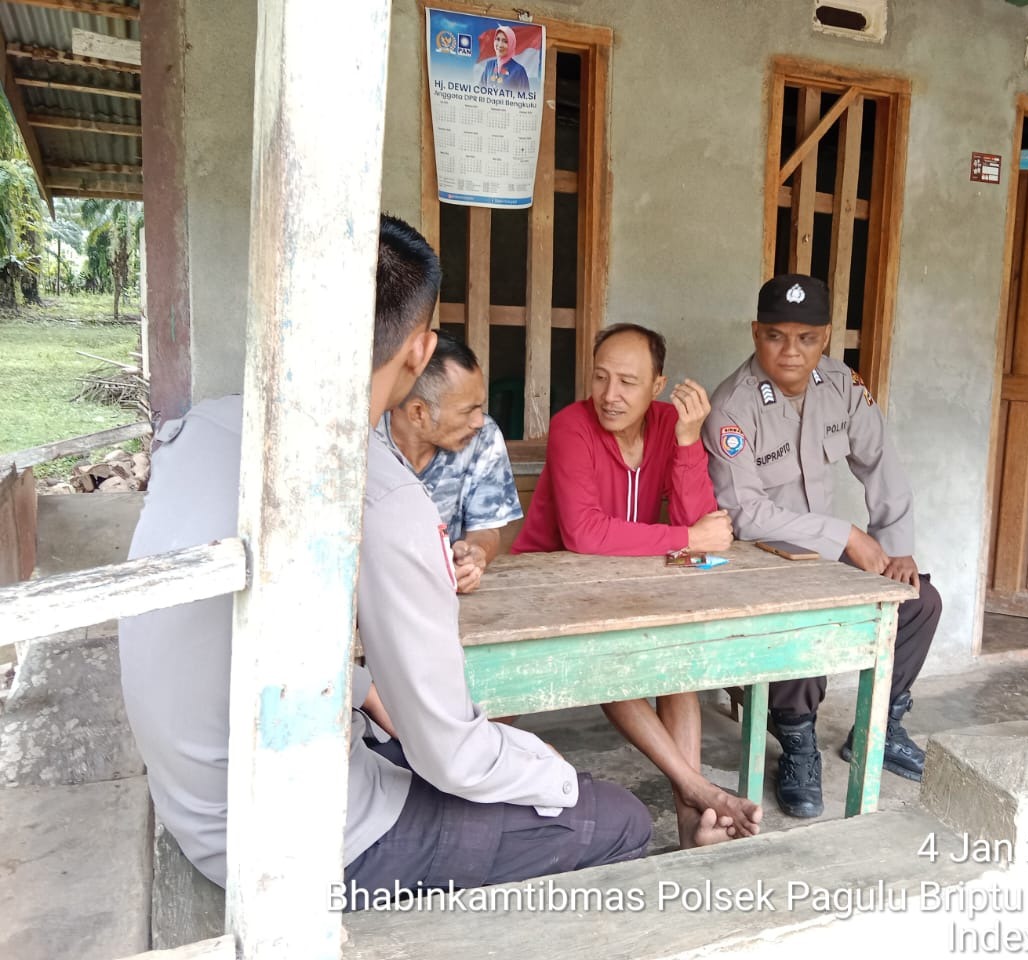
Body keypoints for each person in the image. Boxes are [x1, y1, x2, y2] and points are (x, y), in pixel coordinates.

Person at [118, 216, 651, 901]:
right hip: (295, 844)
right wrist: (553, 771)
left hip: (196, 803)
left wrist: (373, 695)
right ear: (420, 350)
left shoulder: (203, 428)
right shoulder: (379, 494)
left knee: (441, 746)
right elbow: (452, 755)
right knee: (615, 817)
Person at [512, 323, 762, 848]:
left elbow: (703, 531)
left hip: (631, 581)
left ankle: (690, 822)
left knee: (677, 665)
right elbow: (583, 534)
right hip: (548, 586)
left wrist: (689, 442)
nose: (610, 395)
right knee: (614, 659)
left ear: (657, 385)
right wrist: (687, 537)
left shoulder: (671, 424)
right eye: (600, 377)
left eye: (628, 382)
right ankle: (699, 791)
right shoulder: (571, 426)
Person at [702, 274, 942, 819]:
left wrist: (896, 547)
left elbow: (881, 463)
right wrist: (848, 536)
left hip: (828, 556)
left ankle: (879, 726)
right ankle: (797, 743)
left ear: (826, 337)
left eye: (807, 338)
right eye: (776, 336)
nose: (791, 351)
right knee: (805, 618)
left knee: (920, 602)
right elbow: (747, 514)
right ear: (756, 333)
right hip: (763, 561)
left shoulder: (842, 386)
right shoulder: (732, 406)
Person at [376, 330, 521, 594]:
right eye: (467, 411)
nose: (479, 421)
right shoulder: (366, 442)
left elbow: (486, 529)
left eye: (480, 407)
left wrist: (474, 555)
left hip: (448, 598)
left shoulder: (484, 437)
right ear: (418, 413)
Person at [476, 25, 530, 91]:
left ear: (511, 44)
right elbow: (480, 91)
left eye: (505, 41)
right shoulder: (489, 65)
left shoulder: (519, 71)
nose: (500, 44)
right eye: (498, 39)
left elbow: (525, 96)